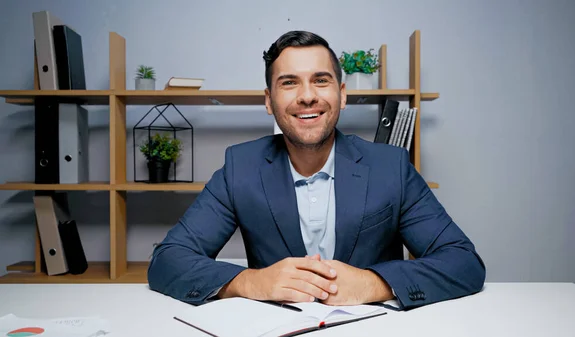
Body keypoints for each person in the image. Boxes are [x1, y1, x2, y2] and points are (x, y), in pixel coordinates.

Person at [147, 30, 485, 310]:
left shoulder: (391, 167)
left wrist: (375, 283)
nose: (307, 96)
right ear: (269, 100)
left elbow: (463, 262)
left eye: (320, 80)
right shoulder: (240, 168)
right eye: (290, 82)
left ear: (341, 93)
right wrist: (251, 282)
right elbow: (168, 260)